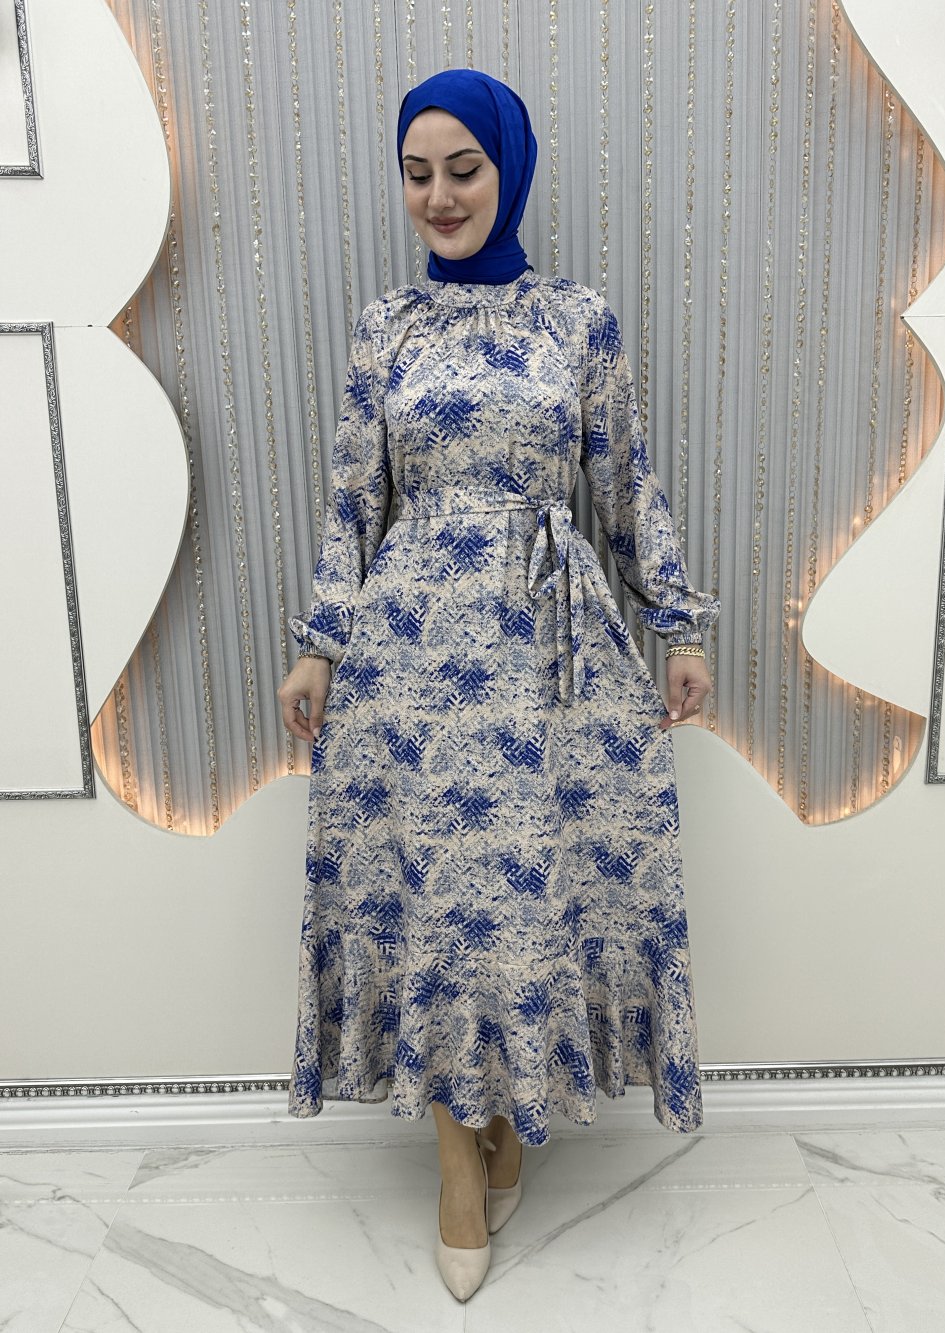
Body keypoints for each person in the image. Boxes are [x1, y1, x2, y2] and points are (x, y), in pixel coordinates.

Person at [278, 67, 719, 1303]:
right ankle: (454, 1168)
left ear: (507, 170)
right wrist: (319, 642)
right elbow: (352, 501)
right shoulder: (385, 328)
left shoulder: (579, 321)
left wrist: (677, 622)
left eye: (462, 169)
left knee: (531, 897)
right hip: (410, 650)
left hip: (549, 649)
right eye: (416, 174)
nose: (439, 195)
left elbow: (622, 480)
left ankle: (513, 1119)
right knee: (432, 898)